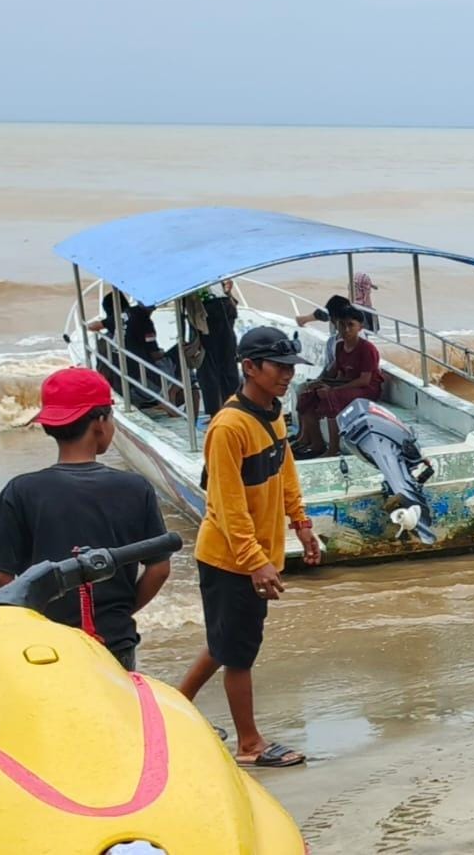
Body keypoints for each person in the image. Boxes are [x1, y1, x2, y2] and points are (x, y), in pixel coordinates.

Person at [177, 325, 322, 768]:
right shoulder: (229, 427)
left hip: (254, 554)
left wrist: (301, 522)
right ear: (250, 367)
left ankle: (175, 708)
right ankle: (249, 744)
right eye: (279, 367)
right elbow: (227, 505)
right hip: (230, 559)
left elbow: (285, 471)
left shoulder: (272, 413)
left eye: (291, 367)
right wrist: (255, 561)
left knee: (226, 641)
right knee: (238, 654)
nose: (287, 375)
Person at [0, 367, 172, 672]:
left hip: (45, 648)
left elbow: (0, 579)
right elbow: (159, 568)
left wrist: (27, 624)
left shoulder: (22, 490)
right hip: (113, 641)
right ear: (100, 423)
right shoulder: (135, 488)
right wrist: (118, 612)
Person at [293, 308, 383, 458]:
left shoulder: (367, 349)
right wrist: (318, 382)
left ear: (360, 327)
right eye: (342, 325)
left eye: (350, 325)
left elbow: (364, 380)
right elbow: (334, 370)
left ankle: (333, 449)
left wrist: (333, 389)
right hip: (347, 384)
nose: (346, 329)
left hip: (367, 389)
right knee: (307, 395)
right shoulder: (340, 346)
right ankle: (316, 443)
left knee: (330, 397)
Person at [197, 280, 240, 420]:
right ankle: (228, 411)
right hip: (218, 309)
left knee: (210, 368)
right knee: (225, 367)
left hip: (211, 311)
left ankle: (219, 413)